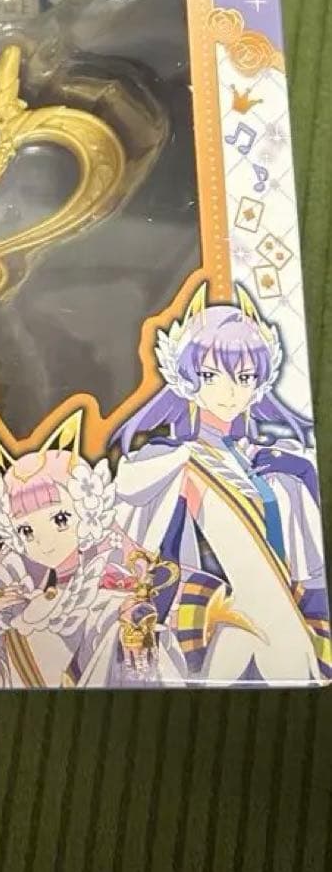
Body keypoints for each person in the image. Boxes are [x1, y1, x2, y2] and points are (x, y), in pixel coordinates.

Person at [112, 282, 330, 685]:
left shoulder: (277, 461)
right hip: (205, 608)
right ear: (185, 378)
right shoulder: (168, 460)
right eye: (211, 375)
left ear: (259, 383)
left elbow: (308, 568)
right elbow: (149, 549)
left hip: (280, 608)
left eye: (244, 377)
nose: (229, 392)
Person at [0, 412, 185, 689]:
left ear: (87, 511)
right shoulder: (14, 596)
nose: (44, 540)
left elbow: (125, 645)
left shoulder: (102, 595)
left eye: (60, 519)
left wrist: (132, 623)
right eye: (25, 530)